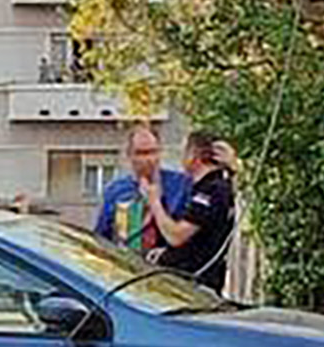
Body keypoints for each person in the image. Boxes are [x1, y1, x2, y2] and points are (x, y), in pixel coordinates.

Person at [150, 129, 238, 291]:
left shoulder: (211, 191)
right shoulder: (211, 187)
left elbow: (176, 236)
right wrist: (166, 254)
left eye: (185, 151)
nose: (181, 157)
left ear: (194, 156)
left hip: (193, 284)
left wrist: (155, 202)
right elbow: (198, 240)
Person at [91, 124, 189, 256]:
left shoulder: (180, 185)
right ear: (129, 155)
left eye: (153, 152)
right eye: (140, 153)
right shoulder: (115, 191)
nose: (148, 159)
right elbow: (101, 237)